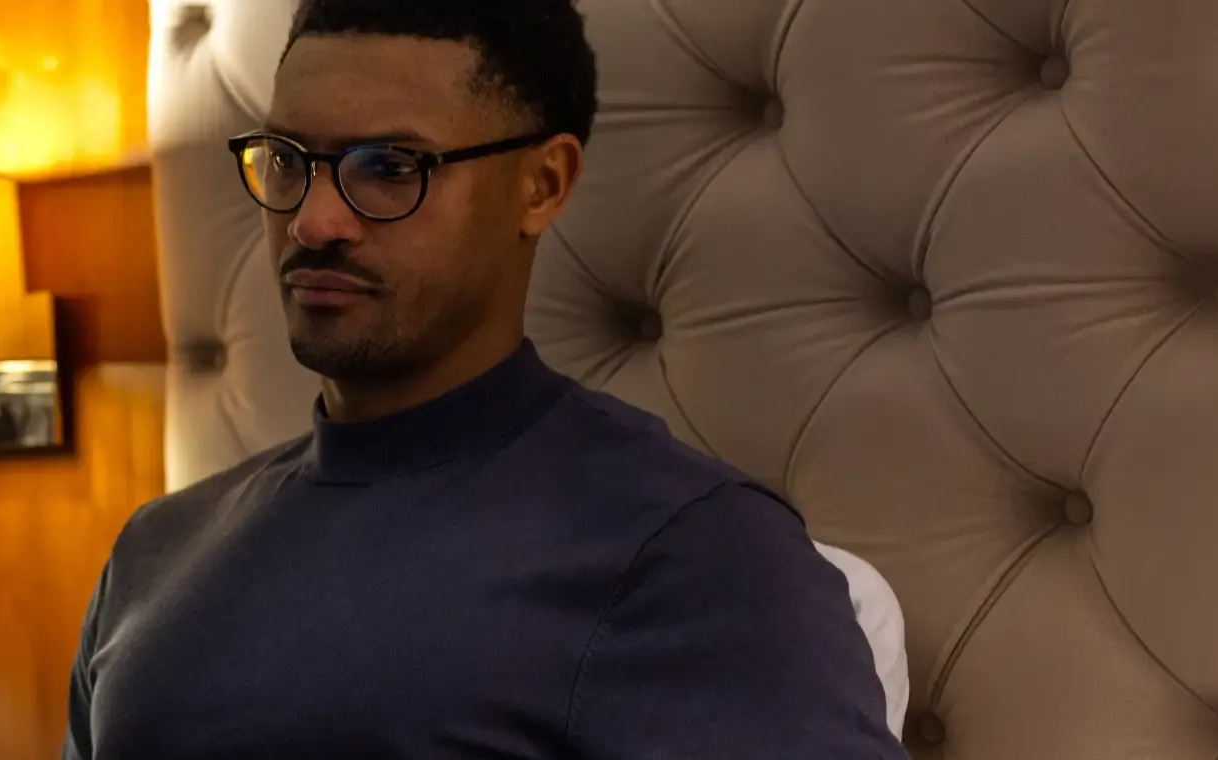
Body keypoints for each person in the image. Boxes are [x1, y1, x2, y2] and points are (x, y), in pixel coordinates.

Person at [61, 0, 903, 756]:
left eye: (389, 167)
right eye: (288, 161)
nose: (315, 220)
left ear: (542, 185)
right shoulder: (156, 552)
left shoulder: (697, 555)